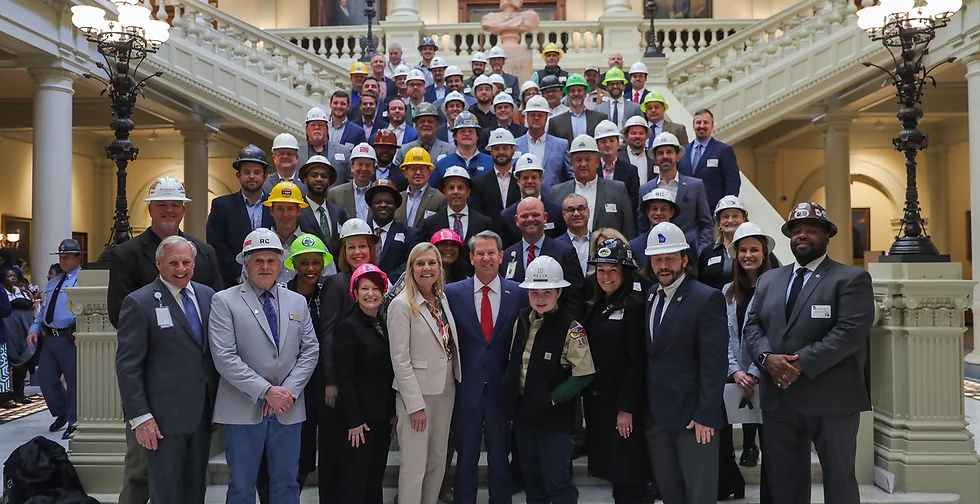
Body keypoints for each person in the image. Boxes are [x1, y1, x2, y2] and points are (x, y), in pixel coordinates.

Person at [743, 202, 875, 504]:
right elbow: (753, 326)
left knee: (839, 479)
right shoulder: (769, 279)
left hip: (832, 398)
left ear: (827, 235)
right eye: (796, 230)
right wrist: (767, 360)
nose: (801, 235)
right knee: (782, 481)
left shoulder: (850, 279)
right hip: (780, 399)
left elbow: (849, 333)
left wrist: (797, 364)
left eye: (811, 229)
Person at [209, 228, 320, 504]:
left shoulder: (297, 301)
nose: (265, 266)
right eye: (258, 260)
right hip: (243, 409)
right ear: (245, 264)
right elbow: (224, 357)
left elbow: (310, 350)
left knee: (286, 484)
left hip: (288, 409)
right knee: (241, 487)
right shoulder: (224, 300)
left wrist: (287, 392)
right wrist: (266, 391)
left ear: (280, 263)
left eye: (271, 260)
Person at [115, 236, 218, 504]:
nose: (181, 268)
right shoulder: (139, 302)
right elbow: (128, 366)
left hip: (201, 416)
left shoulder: (208, 297)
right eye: (173, 262)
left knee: (195, 491)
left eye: (186, 262)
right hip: (161, 421)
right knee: (167, 494)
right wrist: (141, 417)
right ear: (158, 264)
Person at [643, 221, 728, 504]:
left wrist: (706, 414)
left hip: (694, 421)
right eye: (657, 259)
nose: (663, 265)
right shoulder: (651, 295)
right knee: (671, 495)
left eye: (669, 258)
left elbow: (714, 364)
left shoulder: (707, 298)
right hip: (658, 418)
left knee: (698, 496)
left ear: (684, 259)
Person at [501, 255, 596, 504]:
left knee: (556, 480)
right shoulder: (521, 321)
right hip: (523, 416)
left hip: (554, 421)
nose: (540, 299)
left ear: (558, 293)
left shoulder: (571, 328)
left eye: (547, 292)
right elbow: (514, 361)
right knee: (532, 479)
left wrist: (554, 399)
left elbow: (584, 372)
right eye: (534, 293)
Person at [444, 230, 528, 504]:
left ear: (502, 256)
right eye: (480, 253)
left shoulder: (518, 293)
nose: (486, 258)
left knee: (500, 458)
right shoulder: (452, 293)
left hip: (501, 391)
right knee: (465, 457)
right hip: (465, 390)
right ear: (471, 258)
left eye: (492, 252)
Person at [387, 242, 462, 504]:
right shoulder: (401, 305)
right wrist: (414, 405)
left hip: (444, 391)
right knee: (414, 466)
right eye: (420, 263)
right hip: (416, 397)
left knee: (437, 461)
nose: (427, 268)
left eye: (432, 263)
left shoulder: (442, 299)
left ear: (440, 268)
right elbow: (400, 360)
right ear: (411, 269)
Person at [316, 218, 380, 501]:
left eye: (362, 246)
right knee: (337, 457)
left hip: (367, 386)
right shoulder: (336, 283)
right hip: (341, 385)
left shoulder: (377, 279)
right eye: (351, 247)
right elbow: (327, 334)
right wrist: (330, 381)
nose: (357, 252)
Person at [582, 238, 650, 503]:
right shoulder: (596, 305)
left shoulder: (634, 306)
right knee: (614, 473)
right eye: (601, 270)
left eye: (612, 270)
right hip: (600, 404)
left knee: (629, 474)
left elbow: (636, 362)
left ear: (624, 273)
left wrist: (627, 409)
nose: (606, 276)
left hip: (623, 407)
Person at [723, 222, 777, 502]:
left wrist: (755, 371)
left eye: (754, 249)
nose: (748, 255)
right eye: (742, 250)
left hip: (768, 376)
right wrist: (736, 370)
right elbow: (725, 335)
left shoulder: (776, 288)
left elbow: (774, 334)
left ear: (764, 252)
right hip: (736, 377)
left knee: (772, 444)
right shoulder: (726, 292)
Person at [335, 264, 395, 503]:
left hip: (380, 417)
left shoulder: (382, 322)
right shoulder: (348, 327)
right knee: (356, 481)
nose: (370, 294)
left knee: (374, 478)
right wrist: (355, 420)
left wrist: (391, 413)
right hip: (359, 422)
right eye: (365, 289)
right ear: (355, 293)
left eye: (375, 289)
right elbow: (345, 378)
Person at [26, 239, 84, 438]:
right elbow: (43, 310)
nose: (63, 260)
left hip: (70, 336)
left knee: (74, 381)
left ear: (78, 257)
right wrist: (34, 328)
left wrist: (81, 331)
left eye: (67, 257)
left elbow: (87, 310)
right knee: (46, 378)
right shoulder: (53, 281)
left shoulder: (83, 279)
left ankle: (74, 420)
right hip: (50, 338)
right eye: (61, 257)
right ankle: (61, 412)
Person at [501, 197, 585, 315]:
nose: (530, 219)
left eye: (535, 215)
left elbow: (575, 299)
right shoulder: (507, 256)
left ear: (545, 217)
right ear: (516, 220)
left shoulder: (565, 252)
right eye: (524, 216)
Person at [208, 145, 275, 287]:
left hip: (271, 280)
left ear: (265, 176)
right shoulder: (221, 206)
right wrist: (239, 273)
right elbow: (216, 245)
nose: (251, 176)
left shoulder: (275, 205)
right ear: (238, 176)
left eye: (257, 172)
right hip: (232, 282)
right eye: (246, 172)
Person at [636, 133, 713, 254]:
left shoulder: (695, 186)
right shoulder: (645, 189)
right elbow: (642, 227)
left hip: (690, 254)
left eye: (669, 152)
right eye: (660, 153)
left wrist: (701, 251)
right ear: (655, 159)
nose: (665, 156)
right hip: (657, 254)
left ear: (677, 156)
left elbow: (706, 225)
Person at [550, 134, 636, 238]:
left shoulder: (617, 190)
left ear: (597, 162)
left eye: (587, 159)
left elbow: (628, 229)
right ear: (571, 164)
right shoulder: (558, 192)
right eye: (578, 160)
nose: (583, 164)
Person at [698, 195, 780, 291]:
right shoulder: (707, 252)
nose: (730, 220)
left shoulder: (760, 249)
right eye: (725, 216)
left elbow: (775, 278)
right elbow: (699, 283)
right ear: (719, 222)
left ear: (744, 219)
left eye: (735, 216)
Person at [421, 166, 493, 263]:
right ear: (444, 191)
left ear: (468, 192)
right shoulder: (431, 223)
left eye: (460, 188)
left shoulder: (484, 223)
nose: (455, 192)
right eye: (451, 188)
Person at [498, 154, 567, 248]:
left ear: (541, 179)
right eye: (525, 178)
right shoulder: (507, 216)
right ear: (518, 181)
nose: (530, 181)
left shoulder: (556, 212)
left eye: (534, 177)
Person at [677, 108, 741, 210]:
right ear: (693, 126)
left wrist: (725, 209)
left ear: (712, 126)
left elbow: (732, 183)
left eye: (706, 122)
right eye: (698, 122)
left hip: (712, 211)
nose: (702, 126)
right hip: (686, 212)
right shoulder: (682, 151)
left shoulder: (724, 150)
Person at [514, 96, 573, 190]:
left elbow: (570, 177)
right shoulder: (515, 145)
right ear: (526, 117)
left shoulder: (561, 145)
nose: (536, 118)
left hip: (552, 200)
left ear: (546, 118)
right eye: (533, 115)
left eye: (540, 115)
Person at [298, 155, 349, 260]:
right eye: (314, 175)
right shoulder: (297, 209)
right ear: (305, 180)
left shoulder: (339, 212)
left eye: (324, 176)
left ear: (330, 181)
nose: (319, 179)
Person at [368, 178, 421, 279]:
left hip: (396, 290)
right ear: (370, 205)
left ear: (396, 205)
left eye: (388, 202)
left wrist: (386, 282)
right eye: (378, 202)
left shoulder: (410, 234)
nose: (383, 205)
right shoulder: (361, 232)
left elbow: (410, 263)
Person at [471, 128, 521, 231]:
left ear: (512, 151)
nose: (501, 152)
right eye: (497, 149)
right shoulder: (479, 183)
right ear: (491, 152)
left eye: (505, 148)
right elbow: (478, 216)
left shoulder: (521, 180)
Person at [2, 266, 36, 406]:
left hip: (21, 329)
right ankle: (5, 395)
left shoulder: (21, 291)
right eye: (9, 276)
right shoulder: (2, 292)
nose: (13, 278)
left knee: (22, 363)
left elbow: (29, 304)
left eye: (14, 275)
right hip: (7, 328)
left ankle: (19, 393)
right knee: (7, 364)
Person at [431, 112, 493, 184]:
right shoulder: (442, 164)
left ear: (477, 136)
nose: (466, 134)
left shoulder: (491, 163)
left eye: (470, 131)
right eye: (462, 131)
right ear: (455, 136)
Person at [593, 120, 641, 213]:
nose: (608, 144)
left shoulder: (630, 171)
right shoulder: (592, 169)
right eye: (603, 141)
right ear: (597, 145)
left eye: (611, 140)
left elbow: (634, 200)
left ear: (618, 144)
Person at [547, 74, 609, 146]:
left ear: (585, 93)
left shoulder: (599, 119)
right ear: (568, 94)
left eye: (579, 90)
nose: (576, 94)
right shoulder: (555, 122)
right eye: (572, 91)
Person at [395, 147, 449, 229]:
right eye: (413, 169)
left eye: (422, 169)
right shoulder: (397, 199)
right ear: (405, 173)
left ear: (429, 172)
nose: (418, 173)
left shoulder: (440, 199)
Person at [298, 107, 354, 182]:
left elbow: (351, 180)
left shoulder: (344, 151)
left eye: (321, 125)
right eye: (313, 125)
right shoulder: (297, 153)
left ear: (327, 128)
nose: (317, 127)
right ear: (306, 129)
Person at [392, 103, 454, 169]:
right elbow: (397, 177)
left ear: (437, 125)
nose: (426, 124)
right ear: (416, 126)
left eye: (430, 121)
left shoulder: (451, 151)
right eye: (422, 121)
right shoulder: (403, 151)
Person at [328, 142, 378, 222]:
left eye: (368, 165)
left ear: (373, 169)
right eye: (360, 164)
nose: (364, 168)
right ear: (352, 167)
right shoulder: (335, 194)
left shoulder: (379, 193)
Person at [629, 188, 680, 261]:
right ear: (647, 212)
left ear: (671, 213)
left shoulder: (684, 242)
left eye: (663, 209)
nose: (658, 213)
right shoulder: (634, 246)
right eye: (654, 209)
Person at [556, 194, 592, 276]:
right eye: (570, 210)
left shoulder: (599, 242)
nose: (576, 214)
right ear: (563, 215)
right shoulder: (555, 246)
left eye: (581, 209)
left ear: (588, 212)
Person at [619, 116, 656, 186]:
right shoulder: (618, 156)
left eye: (641, 133)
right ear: (626, 136)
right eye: (633, 133)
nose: (637, 136)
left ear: (646, 136)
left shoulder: (653, 157)